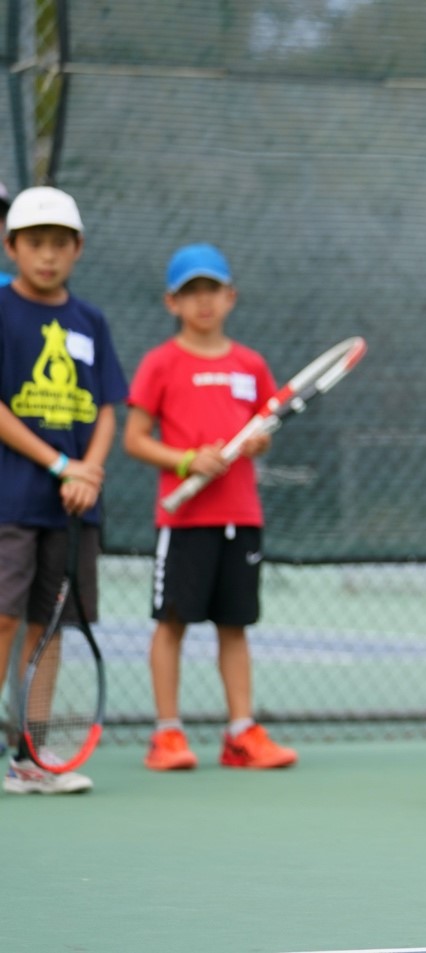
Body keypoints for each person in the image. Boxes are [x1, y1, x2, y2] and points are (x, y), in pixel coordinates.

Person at [123, 243, 298, 771]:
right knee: (172, 624)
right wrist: (184, 462)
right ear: (171, 302)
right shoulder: (160, 363)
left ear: (230, 297)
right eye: (190, 293)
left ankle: (241, 733)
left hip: (240, 518)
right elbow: (134, 438)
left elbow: (264, 426)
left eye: (212, 291)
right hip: (184, 521)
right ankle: (167, 734)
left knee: (234, 625)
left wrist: (259, 443)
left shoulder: (251, 364)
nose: (203, 302)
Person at [0, 186, 127, 794]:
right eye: (34, 244)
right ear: (11, 248)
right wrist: (60, 465)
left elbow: (107, 408)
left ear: (77, 249)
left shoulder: (91, 321)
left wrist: (89, 471)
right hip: (12, 502)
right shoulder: (0, 311)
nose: (47, 256)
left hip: (75, 510)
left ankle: (32, 753)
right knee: (2, 622)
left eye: (59, 244)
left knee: (50, 629)